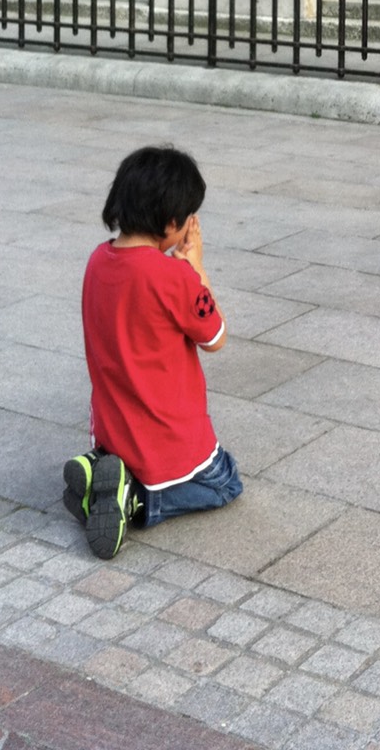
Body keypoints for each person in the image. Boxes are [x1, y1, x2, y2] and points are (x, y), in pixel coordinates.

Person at [63, 146, 242, 559]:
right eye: (188, 222)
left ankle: (102, 471)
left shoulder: (97, 261)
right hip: (170, 446)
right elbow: (215, 336)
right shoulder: (173, 276)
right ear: (172, 222)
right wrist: (196, 267)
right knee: (226, 481)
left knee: (127, 458)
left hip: (113, 436)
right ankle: (138, 501)